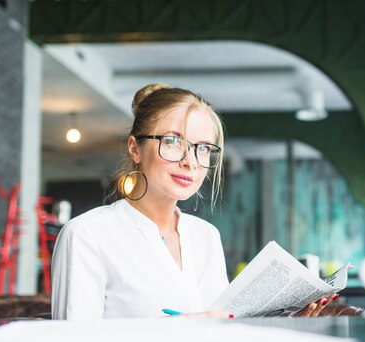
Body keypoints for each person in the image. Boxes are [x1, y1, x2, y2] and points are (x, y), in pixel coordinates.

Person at [51, 83, 336, 319]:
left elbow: (222, 332)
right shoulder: (87, 235)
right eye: (173, 142)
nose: (190, 162)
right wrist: (182, 329)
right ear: (135, 148)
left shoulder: (206, 236)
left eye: (203, 148)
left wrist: (286, 323)